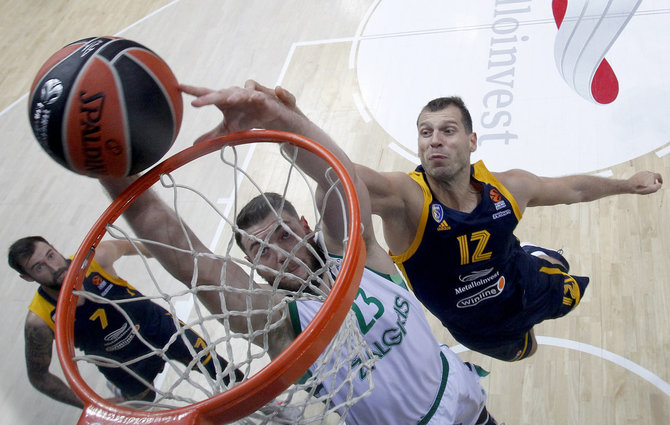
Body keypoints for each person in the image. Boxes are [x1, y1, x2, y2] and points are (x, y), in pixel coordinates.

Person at [98, 91, 519, 425]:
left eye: (283, 235)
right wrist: (112, 170)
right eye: (261, 251)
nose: (278, 254)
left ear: (304, 226)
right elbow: (192, 259)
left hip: (446, 377)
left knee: (476, 406)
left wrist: (281, 119)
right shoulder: (275, 319)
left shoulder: (355, 253)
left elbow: (340, 180)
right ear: (251, 265)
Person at [181, 80, 664, 362]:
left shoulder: (507, 188)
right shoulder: (406, 199)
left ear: (472, 142)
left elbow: (573, 189)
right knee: (526, 352)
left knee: (566, 286)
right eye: (425, 132)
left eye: (448, 131)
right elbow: (338, 175)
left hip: (524, 281)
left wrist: (626, 184)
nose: (435, 140)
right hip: (473, 327)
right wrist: (292, 125)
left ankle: (535, 261)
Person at [8, 236, 243, 407]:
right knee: (144, 407)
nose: (54, 267)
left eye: (51, 255)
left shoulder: (95, 259)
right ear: (27, 277)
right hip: (122, 365)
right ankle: (122, 391)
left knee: (219, 368)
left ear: (55, 248)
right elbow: (38, 377)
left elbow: (135, 245)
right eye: (39, 267)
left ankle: (264, 404)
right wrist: (89, 403)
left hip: (161, 329)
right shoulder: (39, 320)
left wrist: (177, 258)